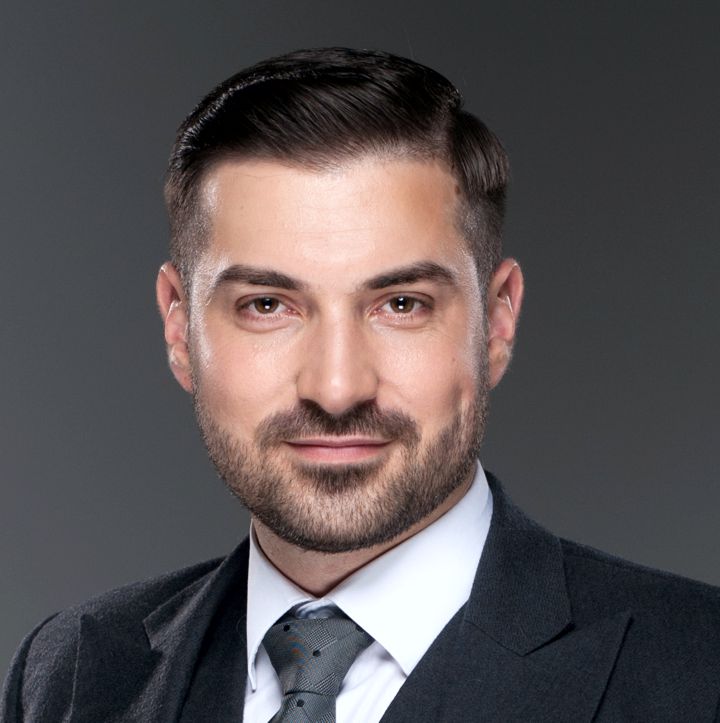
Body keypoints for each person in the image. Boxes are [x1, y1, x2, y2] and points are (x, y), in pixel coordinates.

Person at [2, 47, 719, 723]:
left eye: (401, 304)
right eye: (267, 305)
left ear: (498, 322)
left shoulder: (698, 673)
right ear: (178, 327)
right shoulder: (71, 676)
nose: (337, 387)